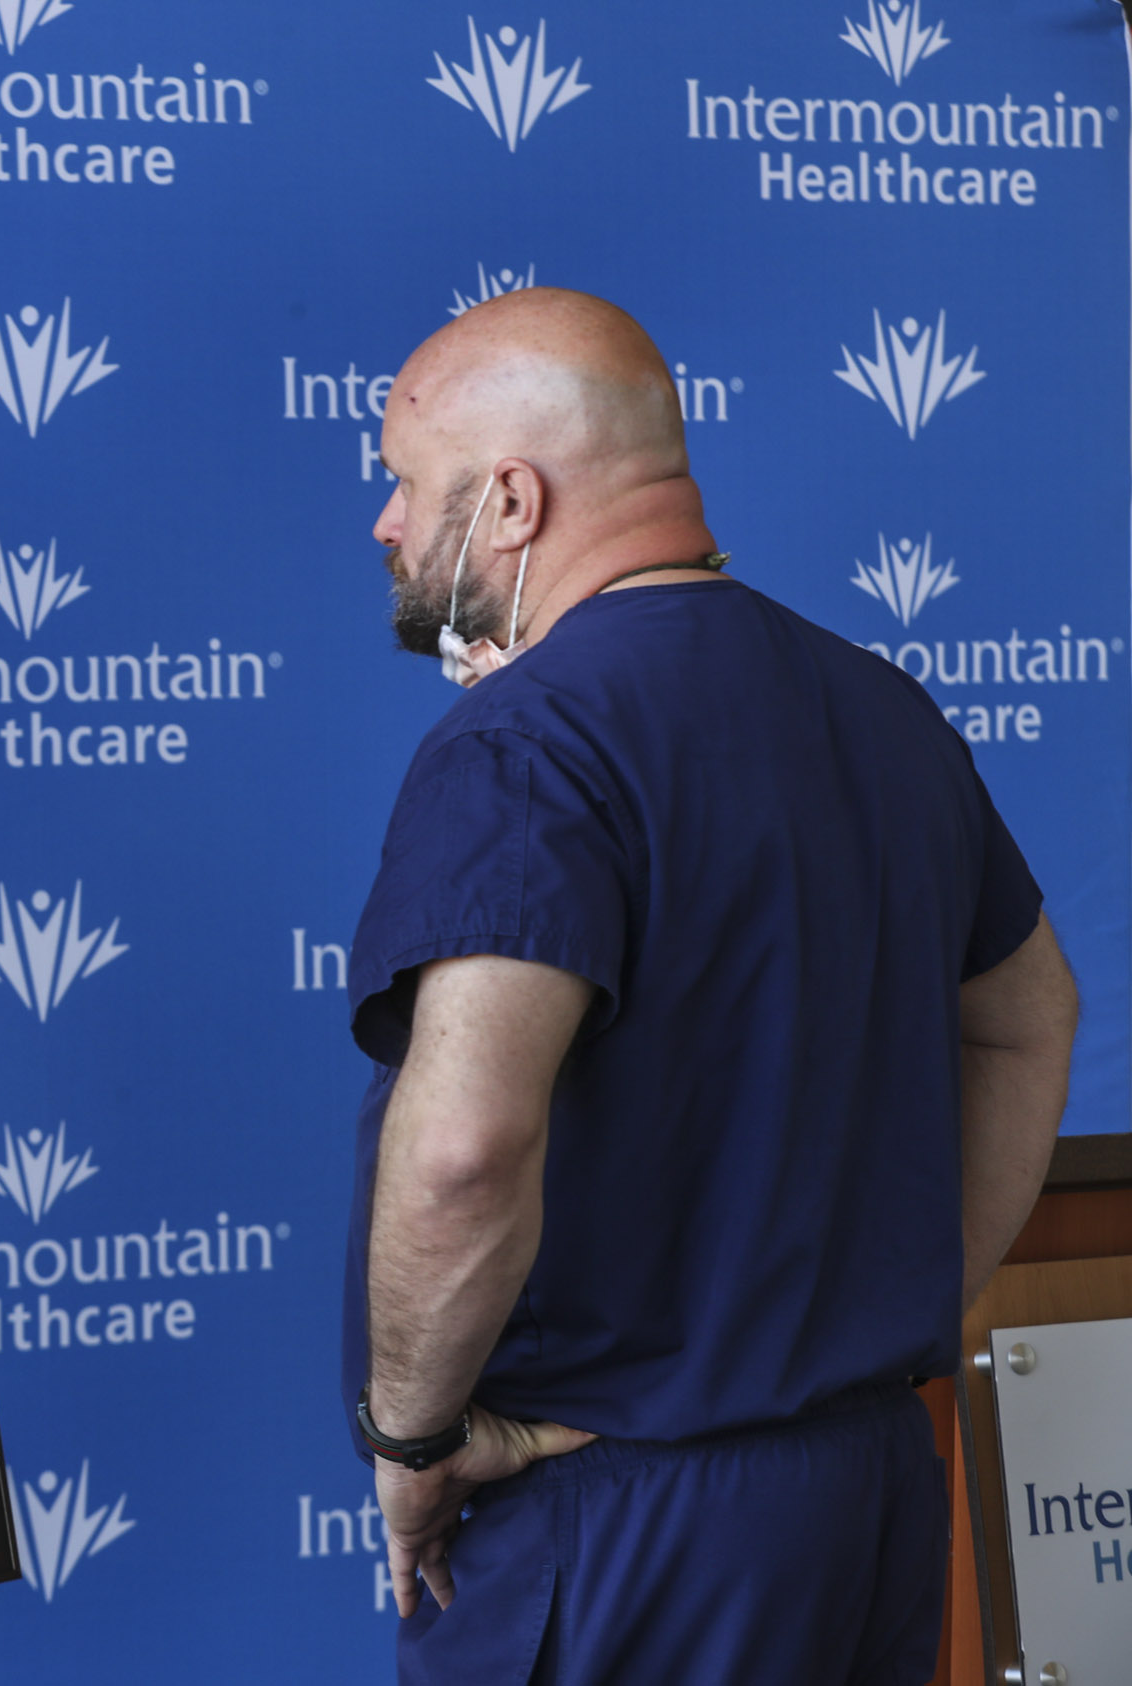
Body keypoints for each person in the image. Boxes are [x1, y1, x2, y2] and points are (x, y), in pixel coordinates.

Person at [342, 287, 1077, 1685]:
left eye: (405, 480)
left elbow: (461, 1148)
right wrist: (893, 1312)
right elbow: (1034, 1017)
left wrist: (414, 1439)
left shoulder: (527, 741)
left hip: (616, 1520)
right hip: (862, 1487)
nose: (384, 520)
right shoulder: (884, 708)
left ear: (509, 501)